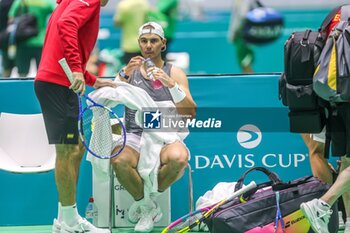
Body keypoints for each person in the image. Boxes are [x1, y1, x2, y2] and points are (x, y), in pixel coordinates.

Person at [34, 0, 116, 232]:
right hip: (57, 84)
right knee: (67, 150)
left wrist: (91, 80)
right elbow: (66, 24)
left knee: (76, 148)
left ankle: (64, 218)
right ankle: (69, 221)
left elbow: (66, 43)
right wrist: (77, 70)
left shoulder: (71, 2)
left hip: (60, 83)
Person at [111, 21, 196, 233]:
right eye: (144, 41)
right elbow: (110, 100)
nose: (148, 45)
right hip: (135, 133)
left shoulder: (174, 73)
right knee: (119, 160)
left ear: (163, 43)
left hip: (165, 133)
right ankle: (145, 205)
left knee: (179, 158)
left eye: (154, 41)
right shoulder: (128, 72)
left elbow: (190, 113)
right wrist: (122, 76)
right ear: (139, 43)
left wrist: (171, 85)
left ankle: (147, 201)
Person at [8, 0, 56, 77]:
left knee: (22, 74)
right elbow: (58, 16)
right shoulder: (47, 2)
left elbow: (11, 18)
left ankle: (23, 89)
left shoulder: (20, 1)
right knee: (42, 73)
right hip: (41, 42)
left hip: (23, 41)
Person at [113, 0, 149, 65]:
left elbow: (117, 23)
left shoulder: (123, 5)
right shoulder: (144, 4)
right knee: (144, 71)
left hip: (129, 46)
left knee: (130, 72)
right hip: (143, 44)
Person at [228, 0, 258, 73]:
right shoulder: (237, 2)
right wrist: (233, 32)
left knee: (246, 58)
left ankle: (249, 75)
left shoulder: (248, 2)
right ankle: (247, 74)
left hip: (245, 33)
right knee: (242, 58)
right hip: (240, 33)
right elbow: (235, 18)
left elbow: (243, 16)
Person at [0, 0, 14, 77]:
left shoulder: (3, 4)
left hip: (4, 37)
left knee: (6, 66)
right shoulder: (17, 3)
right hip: (19, 37)